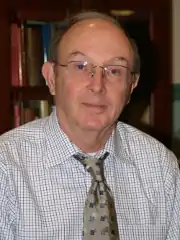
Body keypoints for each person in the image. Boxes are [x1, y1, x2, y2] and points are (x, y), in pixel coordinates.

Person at [0, 11, 180, 240]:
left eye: (114, 71)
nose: (97, 85)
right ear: (51, 78)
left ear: (131, 86)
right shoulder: (6, 167)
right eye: (80, 66)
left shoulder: (161, 167)